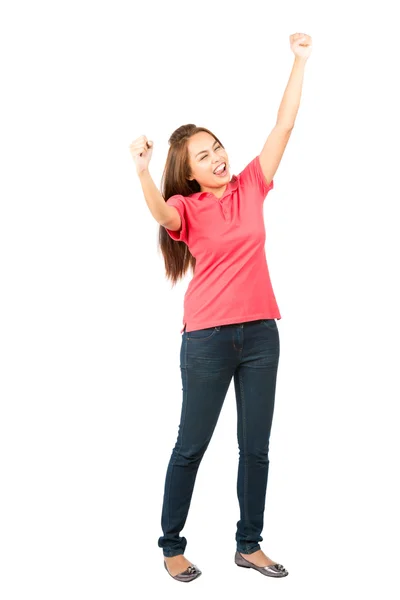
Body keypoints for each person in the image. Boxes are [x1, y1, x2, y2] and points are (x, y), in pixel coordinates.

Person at [130, 32, 312, 582]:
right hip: (207, 340)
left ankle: (248, 545)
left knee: (255, 447)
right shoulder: (184, 205)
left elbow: (283, 126)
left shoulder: (252, 185)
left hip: (261, 334)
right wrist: (142, 169)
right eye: (204, 156)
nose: (219, 157)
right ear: (189, 171)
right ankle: (171, 546)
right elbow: (162, 216)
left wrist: (299, 61)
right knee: (191, 445)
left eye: (218, 147)